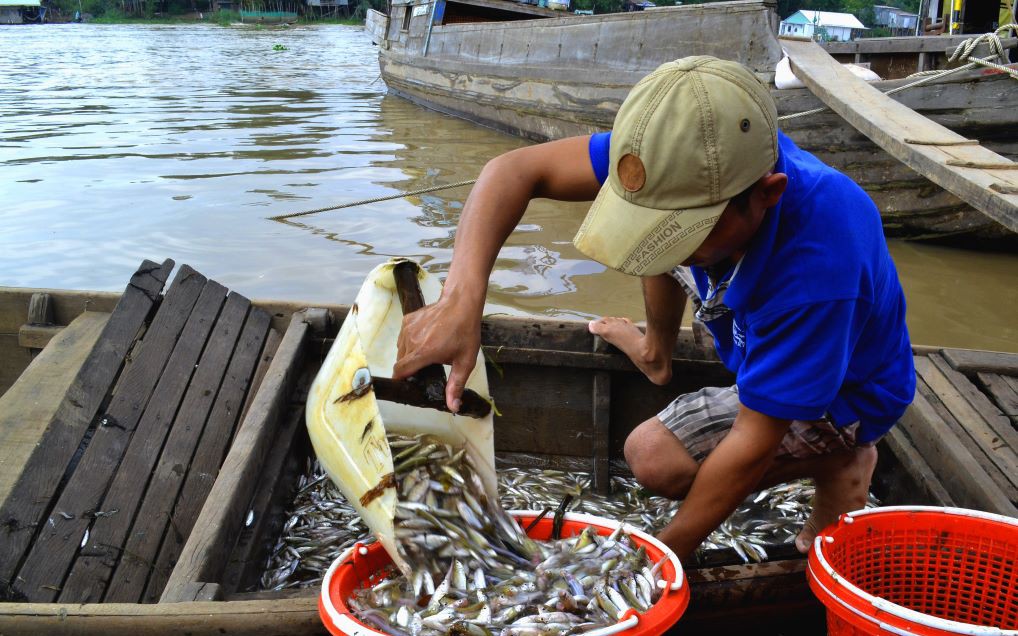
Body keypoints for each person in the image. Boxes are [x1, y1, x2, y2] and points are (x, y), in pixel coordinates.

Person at [393, 56, 916, 559]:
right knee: (655, 238)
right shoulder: (690, 152)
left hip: (848, 387)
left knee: (652, 457)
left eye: (687, 232)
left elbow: (754, 441)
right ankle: (656, 353)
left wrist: (667, 551)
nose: (669, 250)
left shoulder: (818, 269)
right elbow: (512, 171)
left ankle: (845, 454)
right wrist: (460, 300)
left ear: (767, 193)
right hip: (757, 315)